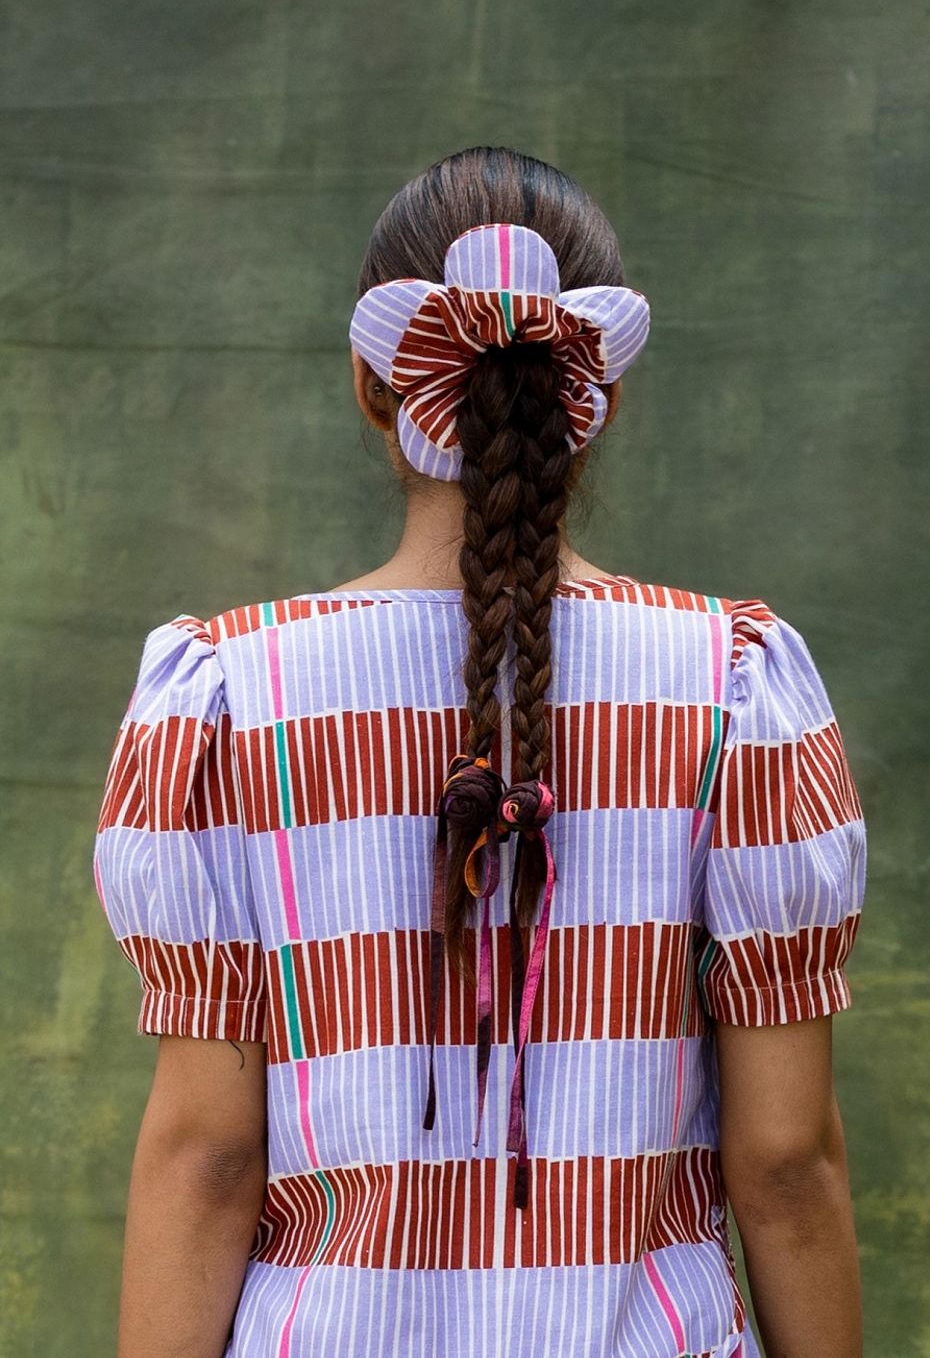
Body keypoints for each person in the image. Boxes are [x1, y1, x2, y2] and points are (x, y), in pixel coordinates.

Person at [93, 145, 867, 1358]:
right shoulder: (730, 689)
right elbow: (782, 1164)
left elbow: (209, 1157)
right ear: (595, 390)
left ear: (371, 385)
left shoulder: (231, 701)